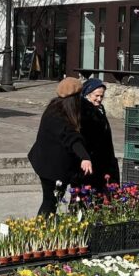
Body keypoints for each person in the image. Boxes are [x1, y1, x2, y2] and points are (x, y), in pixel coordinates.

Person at [28, 77, 93, 215]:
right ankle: (41, 230)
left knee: (53, 200)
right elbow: (72, 137)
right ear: (73, 99)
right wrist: (85, 157)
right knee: (50, 201)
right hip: (51, 167)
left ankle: (47, 227)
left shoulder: (54, 106)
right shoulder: (60, 116)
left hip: (48, 162)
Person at [80, 78, 120, 188]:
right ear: (87, 94)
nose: (99, 99)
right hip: (92, 162)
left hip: (103, 161)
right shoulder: (85, 112)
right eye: (96, 96)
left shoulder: (99, 109)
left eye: (101, 96)